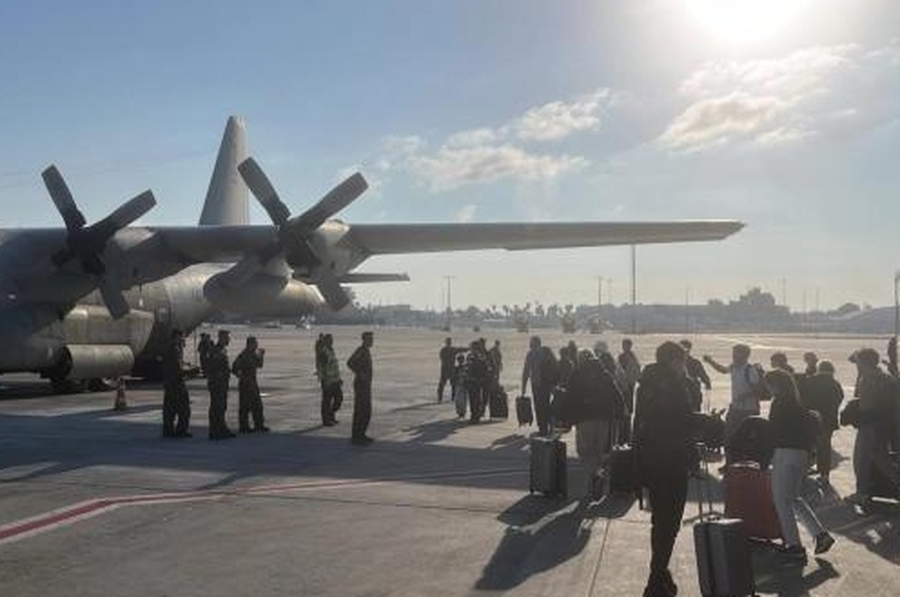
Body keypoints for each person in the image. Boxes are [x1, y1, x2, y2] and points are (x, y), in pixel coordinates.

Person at [633, 341, 705, 597]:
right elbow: (683, 419)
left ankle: (661, 575)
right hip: (672, 460)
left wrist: (637, 461)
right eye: (682, 361)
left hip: (650, 460)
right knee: (670, 523)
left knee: (659, 521)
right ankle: (656, 579)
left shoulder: (645, 384)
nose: (684, 365)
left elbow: (637, 421)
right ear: (674, 361)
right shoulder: (675, 385)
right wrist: (708, 421)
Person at [765, 369, 835, 560]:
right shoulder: (797, 403)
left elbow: (773, 431)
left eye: (769, 385)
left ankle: (794, 545)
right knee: (795, 498)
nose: (768, 389)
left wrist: (765, 456)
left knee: (782, 501)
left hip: (784, 453)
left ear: (775, 385)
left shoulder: (779, 402)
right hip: (800, 454)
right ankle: (820, 535)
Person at [847, 347, 900, 505]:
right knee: (881, 457)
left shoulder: (868, 379)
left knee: (862, 458)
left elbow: (866, 405)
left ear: (863, 362)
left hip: (870, 424)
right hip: (885, 423)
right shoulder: (885, 376)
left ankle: (862, 492)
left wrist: (854, 415)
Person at [568, 349, 624, 496]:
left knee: (585, 452)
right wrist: (620, 413)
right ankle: (597, 475)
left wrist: (567, 418)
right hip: (604, 420)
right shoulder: (605, 374)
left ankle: (593, 478)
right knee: (599, 452)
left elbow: (570, 397)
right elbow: (617, 394)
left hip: (584, 419)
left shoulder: (577, 375)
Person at [703, 344, 764, 446]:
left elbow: (758, 390)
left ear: (745, 356)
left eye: (736, 355)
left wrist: (744, 396)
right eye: (733, 355)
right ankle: (730, 459)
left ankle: (743, 459)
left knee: (745, 438)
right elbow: (723, 370)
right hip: (735, 408)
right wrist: (710, 361)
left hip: (748, 410)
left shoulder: (750, 370)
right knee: (728, 436)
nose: (734, 357)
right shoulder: (734, 367)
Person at [801, 360, 844, 482]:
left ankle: (805, 469)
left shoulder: (810, 381)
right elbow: (839, 398)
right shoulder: (835, 384)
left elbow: (803, 398)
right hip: (829, 420)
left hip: (812, 418)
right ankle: (824, 473)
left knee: (809, 444)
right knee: (824, 446)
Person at [521, 336, 559, 436]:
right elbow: (556, 366)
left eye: (532, 343)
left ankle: (544, 427)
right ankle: (546, 425)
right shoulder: (545, 352)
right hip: (542, 384)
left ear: (536, 343)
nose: (530, 345)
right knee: (543, 405)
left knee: (541, 406)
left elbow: (526, 371)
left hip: (541, 384)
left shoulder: (534, 354)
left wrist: (524, 386)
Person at [231, 335, 268, 433]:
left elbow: (259, 365)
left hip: (253, 382)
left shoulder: (253, 354)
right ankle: (244, 427)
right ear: (250, 344)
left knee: (257, 405)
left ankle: (259, 425)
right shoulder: (243, 355)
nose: (257, 345)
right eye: (255, 343)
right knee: (245, 406)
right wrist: (243, 378)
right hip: (245, 384)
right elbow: (234, 368)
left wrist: (261, 356)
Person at [162, 329, 191, 438]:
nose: (183, 339)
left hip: (170, 383)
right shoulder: (175, 349)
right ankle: (181, 431)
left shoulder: (171, 348)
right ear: (176, 337)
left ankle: (168, 431)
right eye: (181, 337)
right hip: (177, 383)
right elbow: (178, 368)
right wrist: (190, 371)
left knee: (169, 409)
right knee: (184, 409)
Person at [206, 329, 235, 440]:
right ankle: (215, 431)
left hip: (222, 384)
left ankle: (221, 429)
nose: (229, 340)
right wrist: (220, 375)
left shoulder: (222, 350)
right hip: (217, 385)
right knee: (216, 407)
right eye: (227, 337)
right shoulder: (216, 350)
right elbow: (212, 368)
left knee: (221, 407)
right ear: (222, 338)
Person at [347, 331, 375, 445]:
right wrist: (359, 373)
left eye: (372, 339)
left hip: (366, 384)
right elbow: (349, 362)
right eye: (370, 339)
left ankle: (361, 434)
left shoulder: (366, 351)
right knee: (361, 410)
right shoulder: (361, 350)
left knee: (366, 410)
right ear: (364, 340)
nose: (372, 341)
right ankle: (357, 435)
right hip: (361, 385)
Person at [317, 334, 343, 426]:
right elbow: (322, 368)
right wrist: (324, 381)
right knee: (326, 402)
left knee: (339, 399)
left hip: (335, 381)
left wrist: (339, 379)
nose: (331, 342)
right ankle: (326, 420)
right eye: (329, 340)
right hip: (328, 381)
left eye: (332, 340)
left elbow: (334, 367)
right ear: (325, 341)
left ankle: (331, 415)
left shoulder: (331, 351)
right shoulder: (323, 353)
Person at [680, 339, 711, 412]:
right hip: (688, 394)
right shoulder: (695, 363)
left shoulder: (695, 363)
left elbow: (705, 379)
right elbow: (706, 380)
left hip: (692, 394)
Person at [437, 338, 463, 402]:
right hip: (445, 370)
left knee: (453, 385)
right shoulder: (444, 350)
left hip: (450, 370)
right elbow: (442, 358)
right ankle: (440, 398)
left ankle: (453, 397)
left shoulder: (451, 349)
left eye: (449, 342)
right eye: (448, 342)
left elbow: (461, 349)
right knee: (442, 385)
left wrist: (469, 348)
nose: (449, 343)